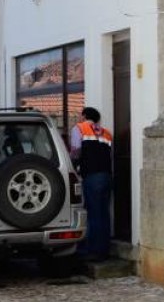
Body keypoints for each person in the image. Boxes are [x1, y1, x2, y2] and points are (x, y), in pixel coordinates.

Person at [70, 107, 113, 262]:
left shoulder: (79, 128)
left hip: (91, 175)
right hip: (106, 176)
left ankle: (92, 251)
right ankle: (104, 250)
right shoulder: (106, 133)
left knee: (93, 213)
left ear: (84, 116)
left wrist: (72, 166)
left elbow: (76, 150)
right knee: (103, 213)